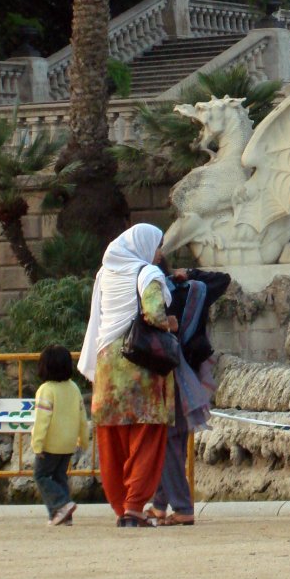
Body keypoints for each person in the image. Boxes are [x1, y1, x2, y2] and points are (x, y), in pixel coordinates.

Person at [78, 223, 176, 528]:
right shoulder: (147, 273)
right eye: (158, 246)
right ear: (145, 245)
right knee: (146, 435)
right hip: (140, 367)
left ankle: (122, 507)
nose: (159, 253)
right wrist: (171, 323)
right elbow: (154, 313)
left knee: (112, 438)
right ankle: (135, 506)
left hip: (108, 364)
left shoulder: (104, 274)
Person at [147, 258, 231, 527]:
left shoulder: (154, 294)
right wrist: (191, 273)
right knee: (177, 438)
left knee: (168, 439)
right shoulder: (192, 290)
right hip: (191, 368)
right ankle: (160, 505)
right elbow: (222, 279)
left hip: (165, 369)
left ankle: (182, 507)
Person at [32, 344, 89, 527]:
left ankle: (62, 505)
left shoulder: (46, 390)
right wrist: (83, 439)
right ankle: (61, 516)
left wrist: (37, 444)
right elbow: (82, 416)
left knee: (41, 475)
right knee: (59, 477)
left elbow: (42, 420)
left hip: (51, 444)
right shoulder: (73, 388)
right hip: (68, 444)